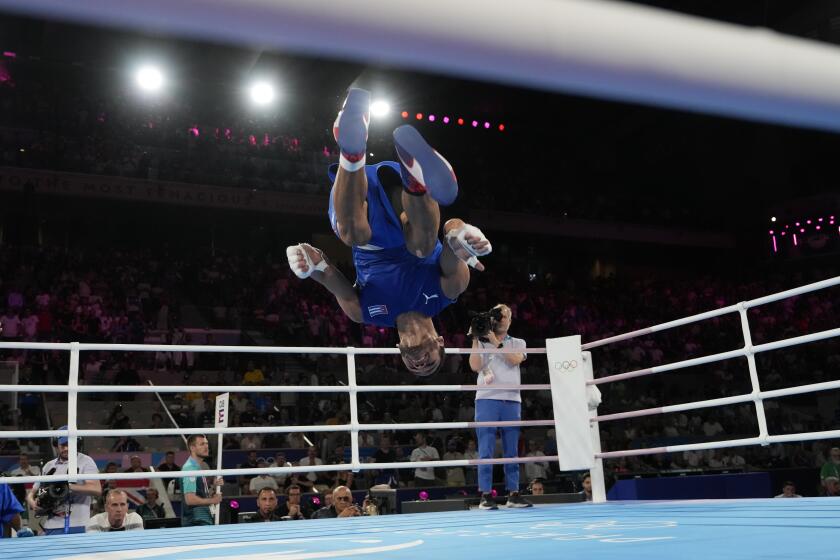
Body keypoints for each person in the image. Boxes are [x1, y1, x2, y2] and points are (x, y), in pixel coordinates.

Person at [287, 88, 492, 376]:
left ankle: (352, 152)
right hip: (405, 210)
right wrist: (461, 234)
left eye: (414, 366)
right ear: (440, 342)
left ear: (399, 351)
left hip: (360, 212)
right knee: (422, 246)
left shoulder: (364, 313)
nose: (419, 363)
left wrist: (306, 261)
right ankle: (415, 176)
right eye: (430, 362)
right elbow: (451, 241)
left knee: (354, 235)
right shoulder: (448, 291)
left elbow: (327, 273)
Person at [468, 304, 531, 509]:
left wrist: (495, 342)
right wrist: (477, 337)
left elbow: (514, 360)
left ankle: (513, 494)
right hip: (486, 398)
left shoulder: (518, 342)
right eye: (496, 315)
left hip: (512, 399)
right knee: (485, 448)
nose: (500, 318)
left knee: (511, 449)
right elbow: (475, 366)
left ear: (510, 320)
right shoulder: (482, 342)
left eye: (504, 315)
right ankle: (485, 495)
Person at [27, 427, 102, 535]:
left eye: (69, 444)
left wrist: (66, 487)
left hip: (78, 523)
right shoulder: (49, 466)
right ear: (57, 445)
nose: (66, 448)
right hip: (51, 524)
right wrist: (34, 503)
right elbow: (32, 493)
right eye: (62, 445)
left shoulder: (85, 461)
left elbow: (96, 489)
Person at [180, 435, 224, 527]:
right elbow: (190, 499)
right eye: (202, 444)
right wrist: (213, 500)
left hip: (201, 518)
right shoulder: (190, 468)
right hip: (196, 520)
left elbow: (199, 494)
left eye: (207, 444)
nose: (206, 446)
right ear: (192, 448)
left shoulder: (196, 467)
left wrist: (214, 486)